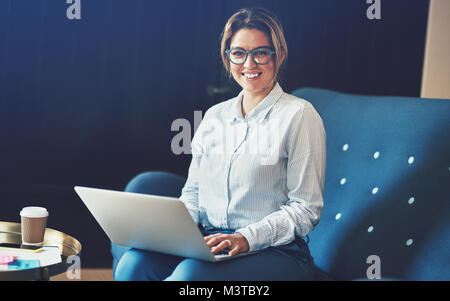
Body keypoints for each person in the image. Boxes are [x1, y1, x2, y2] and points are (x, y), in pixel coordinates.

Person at [114, 7, 326, 281]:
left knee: (189, 278)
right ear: (227, 59)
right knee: (133, 265)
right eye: (238, 53)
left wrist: (245, 238)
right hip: (210, 241)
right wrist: (177, 233)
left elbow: (306, 209)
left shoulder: (300, 115)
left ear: (280, 55)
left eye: (261, 52)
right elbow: (193, 191)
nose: (249, 64)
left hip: (276, 252)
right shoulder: (215, 116)